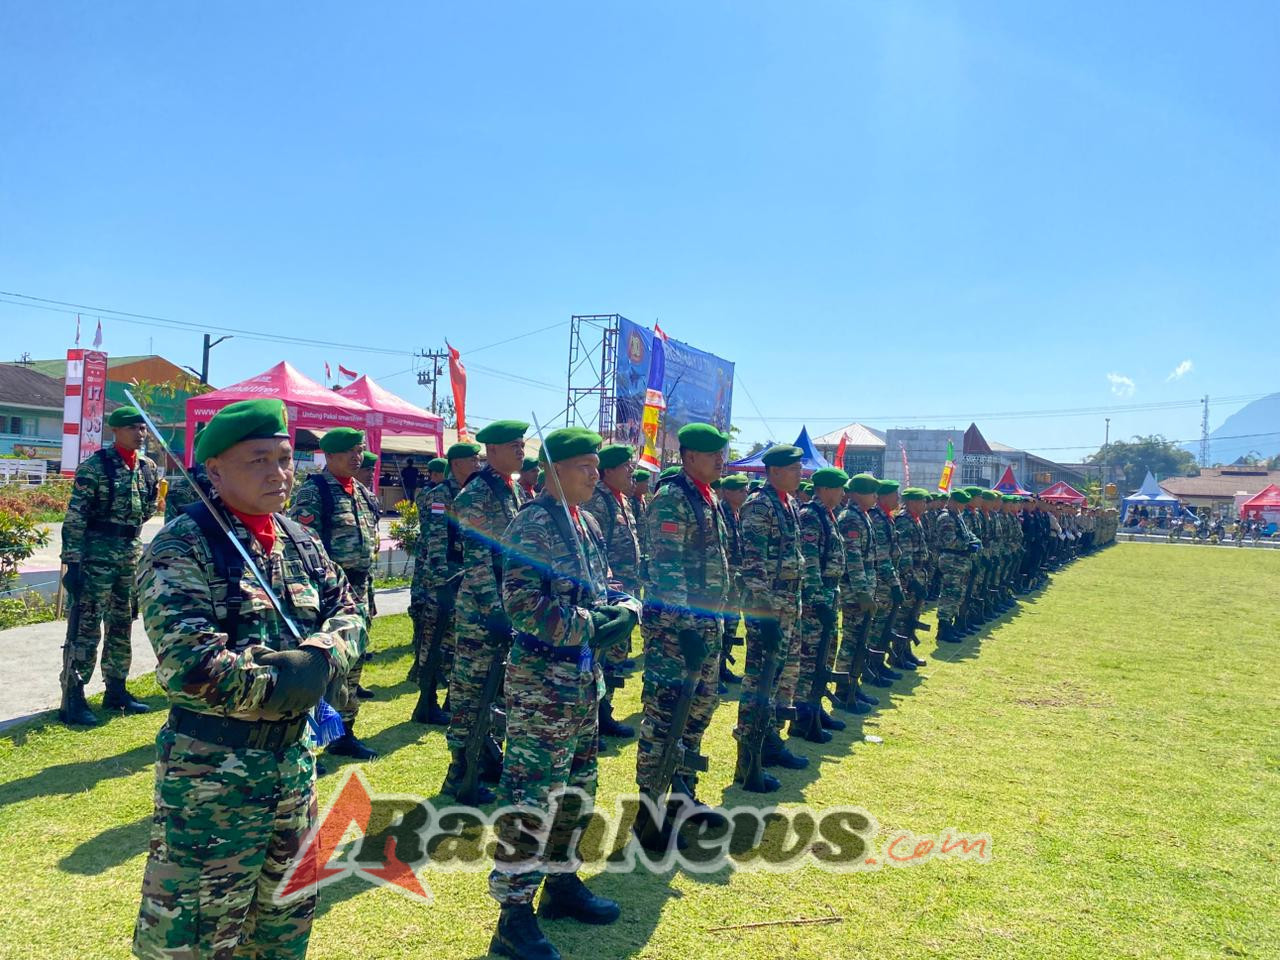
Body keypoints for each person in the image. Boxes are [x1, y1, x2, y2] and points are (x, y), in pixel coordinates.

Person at [132, 398, 365, 960]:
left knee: (284, 928)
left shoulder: (301, 541)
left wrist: (321, 659)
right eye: (258, 460)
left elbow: (351, 614)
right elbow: (190, 666)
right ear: (214, 470)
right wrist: (291, 678)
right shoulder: (182, 545)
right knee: (193, 937)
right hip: (214, 779)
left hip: (293, 768)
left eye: (285, 459)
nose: (278, 473)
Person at [488, 427, 639, 960]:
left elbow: (604, 585)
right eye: (584, 466)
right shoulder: (532, 525)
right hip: (540, 686)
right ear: (553, 471)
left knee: (577, 788)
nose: (595, 474)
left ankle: (562, 883)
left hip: (581, 680)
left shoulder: (589, 521)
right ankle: (512, 914)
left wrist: (625, 606)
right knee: (531, 798)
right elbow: (524, 607)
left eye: (597, 466)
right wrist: (593, 625)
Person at [635, 424, 732, 829]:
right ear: (691, 457)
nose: (720, 462)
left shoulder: (705, 498)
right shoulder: (672, 499)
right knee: (664, 717)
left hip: (705, 627)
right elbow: (666, 568)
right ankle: (649, 808)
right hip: (677, 633)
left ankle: (682, 794)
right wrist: (687, 628)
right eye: (714, 456)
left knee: (697, 713)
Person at [443, 420, 529, 800]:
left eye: (521, 444)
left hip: (505, 605)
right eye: (512, 445)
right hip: (481, 610)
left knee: (496, 690)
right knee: (471, 691)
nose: (520, 451)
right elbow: (478, 563)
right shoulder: (476, 495)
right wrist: (494, 611)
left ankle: (488, 756)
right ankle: (460, 770)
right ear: (490, 451)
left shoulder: (511, 492)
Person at [59, 405, 160, 726]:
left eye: (143, 428)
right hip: (95, 558)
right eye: (133, 428)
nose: (140, 434)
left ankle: (116, 689)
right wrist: (72, 564)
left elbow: (146, 511)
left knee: (122, 623)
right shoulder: (95, 468)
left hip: (129, 554)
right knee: (86, 626)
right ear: (115, 431)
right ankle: (74, 695)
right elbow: (75, 519)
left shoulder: (147, 468)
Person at [289, 426, 381, 759]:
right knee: (321, 669)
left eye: (360, 450)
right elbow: (300, 548)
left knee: (352, 665)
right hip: (327, 592)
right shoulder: (314, 493)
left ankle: (344, 732)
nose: (358, 457)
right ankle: (308, 742)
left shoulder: (360, 491)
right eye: (350, 452)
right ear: (329, 456)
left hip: (359, 588)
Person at [735, 443, 807, 791]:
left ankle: (771, 740)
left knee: (784, 677)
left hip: (788, 602)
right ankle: (747, 759)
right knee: (759, 681)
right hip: (768, 605)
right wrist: (764, 613)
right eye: (793, 469)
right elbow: (753, 563)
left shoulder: (788, 503)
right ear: (775, 471)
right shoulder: (759, 505)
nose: (799, 474)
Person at [408, 442, 478, 721]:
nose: (477, 465)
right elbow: (435, 540)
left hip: (462, 577)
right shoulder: (441, 496)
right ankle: (427, 701)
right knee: (434, 641)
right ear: (458, 464)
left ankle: (450, 699)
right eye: (472, 460)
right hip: (442, 580)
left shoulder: (469, 494)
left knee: (456, 641)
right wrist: (441, 582)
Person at [582, 443, 643, 739]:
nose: (630, 472)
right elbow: (596, 548)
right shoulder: (598, 501)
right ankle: (593, 721)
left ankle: (605, 714)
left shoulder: (622, 501)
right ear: (608, 471)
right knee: (600, 660)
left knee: (614, 659)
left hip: (624, 594)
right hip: (605, 596)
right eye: (625, 467)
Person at [789, 467, 848, 741]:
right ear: (824, 489)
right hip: (817, 598)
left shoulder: (827, 515)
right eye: (838, 488)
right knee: (810, 659)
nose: (842, 493)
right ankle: (802, 717)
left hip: (829, 593)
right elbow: (809, 560)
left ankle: (816, 708)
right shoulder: (811, 516)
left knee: (825, 655)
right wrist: (816, 599)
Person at [832, 473, 880, 713]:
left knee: (861, 638)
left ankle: (853, 684)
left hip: (864, 585)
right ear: (860, 494)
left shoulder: (863, 516)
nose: (875, 497)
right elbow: (853, 558)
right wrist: (862, 591)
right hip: (854, 589)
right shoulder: (851, 518)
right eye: (872, 493)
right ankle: (843, 689)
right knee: (852, 640)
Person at [716, 473, 750, 686]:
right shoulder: (721, 512)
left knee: (731, 624)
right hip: (722, 578)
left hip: (735, 580)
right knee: (719, 626)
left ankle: (722, 668)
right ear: (727, 492)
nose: (745, 493)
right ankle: (714, 673)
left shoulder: (738, 513)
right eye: (740, 490)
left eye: (746, 490)